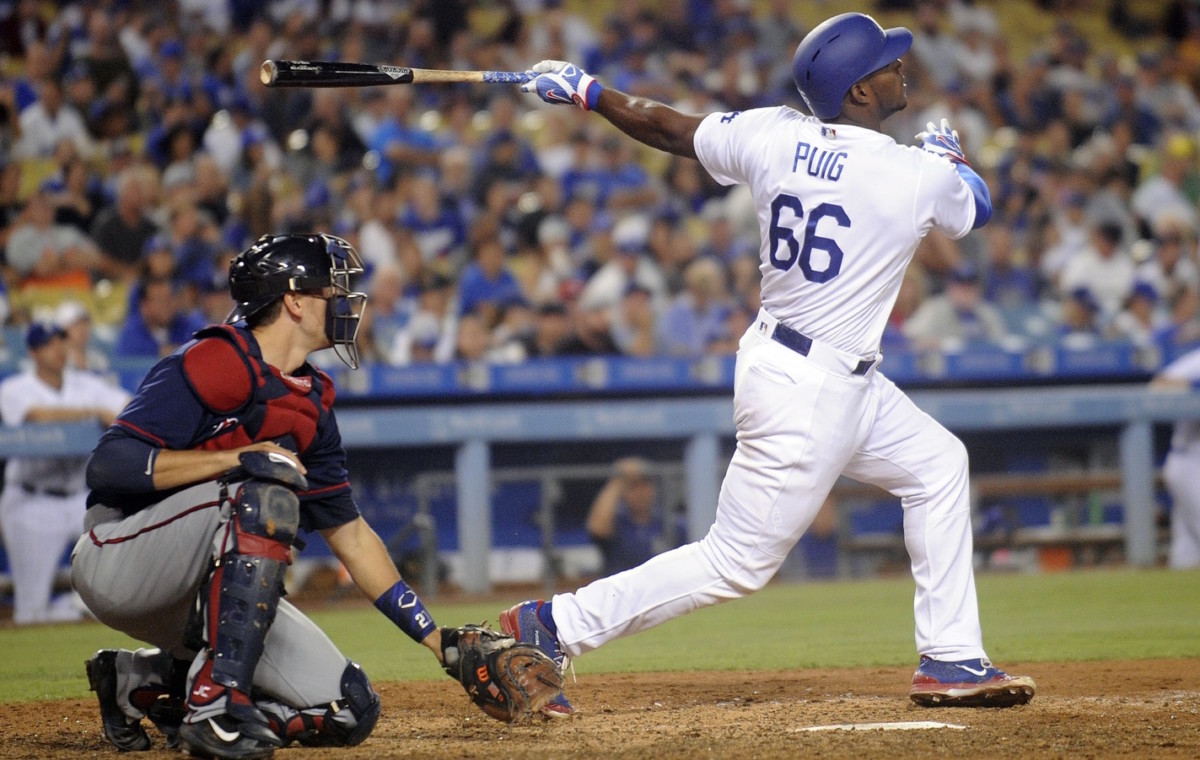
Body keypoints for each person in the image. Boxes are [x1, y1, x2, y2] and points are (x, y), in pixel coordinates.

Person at [501, 12, 1036, 715]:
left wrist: (588, 92)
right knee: (735, 562)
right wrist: (951, 158)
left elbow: (665, 125)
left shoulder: (773, 133)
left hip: (810, 366)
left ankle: (951, 658)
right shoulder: (911, 173)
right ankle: (555, 624)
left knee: (937, 464)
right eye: (884, 63)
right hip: (810, 388)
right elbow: (980, 208)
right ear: (859, 93)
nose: (899, 65)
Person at [70, 234, 447, 758]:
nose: (343, 302)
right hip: (120, 556)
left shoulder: (312, 402)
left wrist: (438, 642)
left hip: (204, 598)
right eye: (330, 290)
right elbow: (110, 465)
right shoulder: (215, 360)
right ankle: (215, 704)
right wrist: (234, 459)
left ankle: (141, 682)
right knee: (262, 492)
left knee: (348, 709)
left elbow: (352, 536)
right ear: (293, 300)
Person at [0, 322, 129, 624]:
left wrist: (105, 413)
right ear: (33, 351)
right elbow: (35, 416)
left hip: (80, 499)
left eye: (61, 341)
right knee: (31, 608)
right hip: (33, 500)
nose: (58, 349)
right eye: (48, 344)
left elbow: (126, 406)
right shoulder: (13, 387)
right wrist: (93, 414)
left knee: (112, 586)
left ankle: (74, 610)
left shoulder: (85, 384)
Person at [586, 458, 682, 577]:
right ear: (623, 492)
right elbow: (597, 527)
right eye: (633, 486)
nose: (640, 493)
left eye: (645, 485)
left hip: (661, 591)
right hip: (623, 592)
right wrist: (618, 479)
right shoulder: (618, 523)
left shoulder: (669, 525)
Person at [1150, 346, 1200, 569]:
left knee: (1187, 547)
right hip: (1191, 460)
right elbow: (1157, 386)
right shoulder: (1196, 361)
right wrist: (1193, 387)